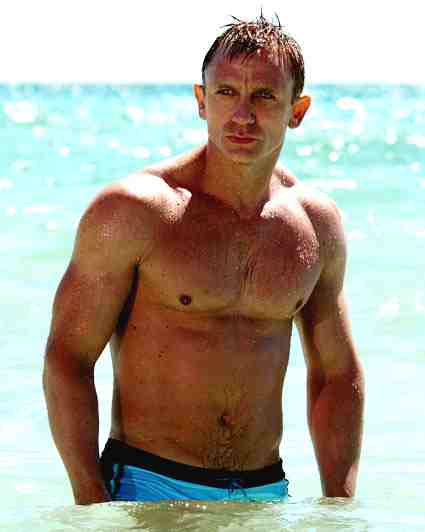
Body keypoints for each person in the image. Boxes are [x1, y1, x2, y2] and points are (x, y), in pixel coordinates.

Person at [43, 13, 364, 505]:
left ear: (297, 111)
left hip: (264, 492)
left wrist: (339, 507)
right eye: (226, 92)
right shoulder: (136, 211)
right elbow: (68, 358)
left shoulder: (315, 224)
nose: (243, 115)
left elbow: (336, 373)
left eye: (264, 96)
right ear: (201, 100)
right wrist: (92, 501)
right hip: (148, 485)